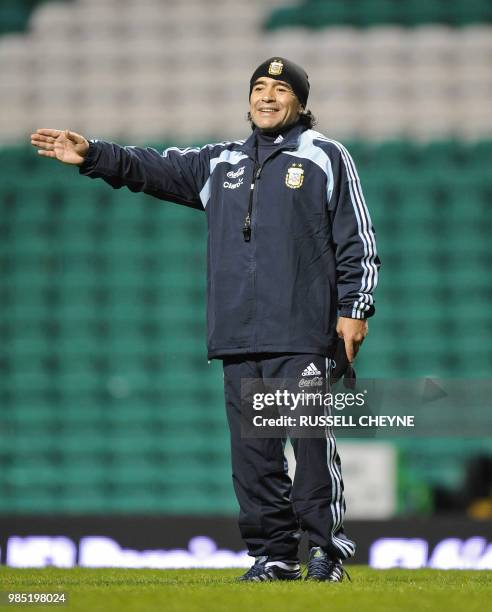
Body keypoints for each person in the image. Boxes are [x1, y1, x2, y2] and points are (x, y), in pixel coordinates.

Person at [31, 57, 380, 582]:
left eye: (279, 89)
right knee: (253, 458)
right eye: (258, 88)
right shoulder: (220, 162)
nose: (266, 97)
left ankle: (325, 551)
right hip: (238, 335)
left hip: (304, 331)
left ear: (301, 102)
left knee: (309, 447)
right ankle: (275, 556)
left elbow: (357, 237)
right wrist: (93, 155)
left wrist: (355, 307)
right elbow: (151, 167)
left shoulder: (326, 156)